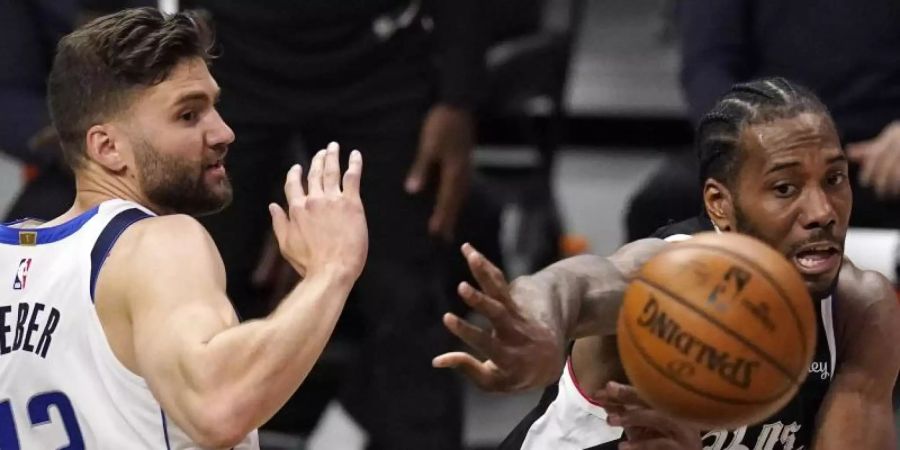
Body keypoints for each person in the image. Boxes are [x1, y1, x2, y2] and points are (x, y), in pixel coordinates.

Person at [434, 78, 900, 450]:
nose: (823, 210)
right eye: (785, 188)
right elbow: (576, 285)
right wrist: (537, 322)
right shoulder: (668, 279)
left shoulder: (861, 312)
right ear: (720, 204)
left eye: (835, 178)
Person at [0, 8, 368, 449]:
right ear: (108, 147)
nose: (224, 132)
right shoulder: (157, 243)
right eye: (188, 115)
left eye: (215, 106)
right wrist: (331, 271)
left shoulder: (9, 259)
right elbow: (217, 408)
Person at [626, 0, 900, 241]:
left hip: (882, 157)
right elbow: (708, 65)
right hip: (761, 140)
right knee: (663, 202)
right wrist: (750, 140)